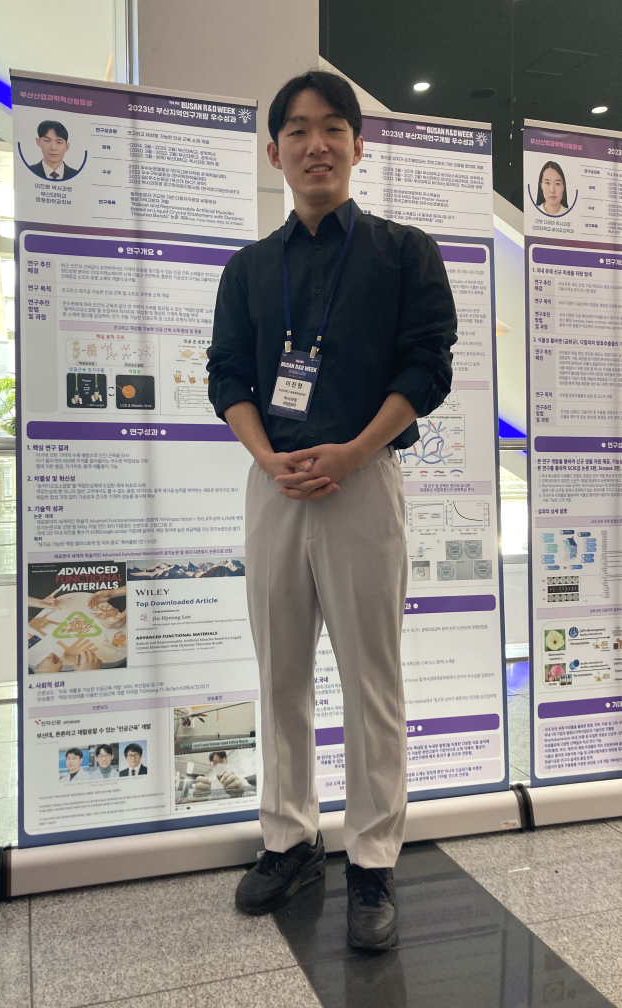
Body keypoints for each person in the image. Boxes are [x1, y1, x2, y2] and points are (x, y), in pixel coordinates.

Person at [207, 70, 456, 950]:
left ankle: (374, 860)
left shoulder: (403, 252)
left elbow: (427, 366)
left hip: (362, 483)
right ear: (274, 152)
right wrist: (266, 457)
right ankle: (290, 839)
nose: (317, 144)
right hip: (275, 484)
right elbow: (226, 375)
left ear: (358, 143)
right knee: (279, 672)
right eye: (298, 131)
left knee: (370, 680)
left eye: (333, 128)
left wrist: (352, 450)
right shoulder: (249, 268)